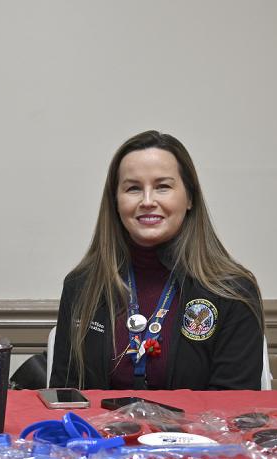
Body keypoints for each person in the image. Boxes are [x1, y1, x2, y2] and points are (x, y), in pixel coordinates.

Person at [50, 130, 263, 390]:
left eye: (163, 187)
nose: (148, 201)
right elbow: (64, 399)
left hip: (198, 433)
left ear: (190, 198)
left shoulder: (233, 291)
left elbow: (233, 411)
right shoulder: (82, 286)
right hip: (100, 432)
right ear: (115, 202)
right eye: (133, 188)